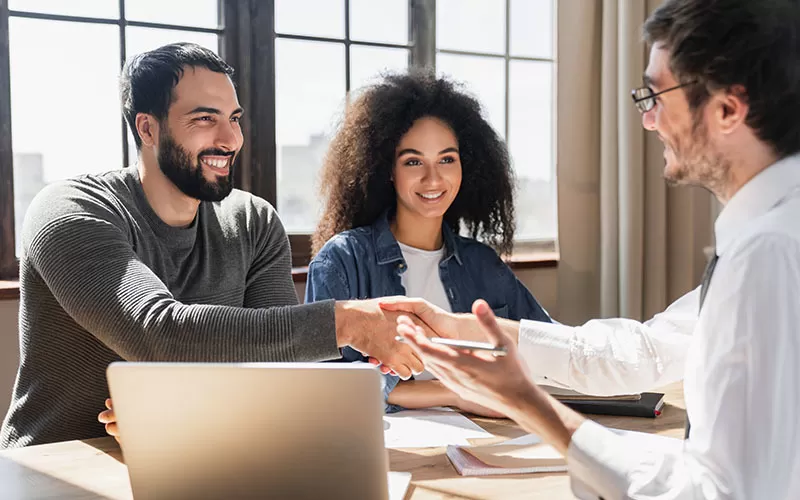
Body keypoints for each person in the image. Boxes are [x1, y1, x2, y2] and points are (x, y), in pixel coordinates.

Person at [390, 0, 800, 497]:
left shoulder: (770, 253)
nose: (648, 120)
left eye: (656, 95)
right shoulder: (765, 237)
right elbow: (647, 350)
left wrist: (529, 405)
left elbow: (721, 492)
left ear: (727, 109)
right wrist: (478, 333)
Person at [0, 43, 431, 449]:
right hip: (54, 467)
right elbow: (156, 334)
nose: (230, 139)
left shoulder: (253, 221)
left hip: (202, 457)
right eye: (205, 119)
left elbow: (279, 376)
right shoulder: (70, 210)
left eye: (235, 118)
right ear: (147, 128)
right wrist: (348, 323)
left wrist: (185, 415)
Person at [305, 72, 552, 415]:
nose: (433, 178)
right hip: (396, 452)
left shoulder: (483, 265)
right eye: (413, 161)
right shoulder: (343, 261)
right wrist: (452, 392)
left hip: (489, 441)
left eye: (447, 159)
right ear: (387, 169)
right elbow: (326, 391)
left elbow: (552, 355)